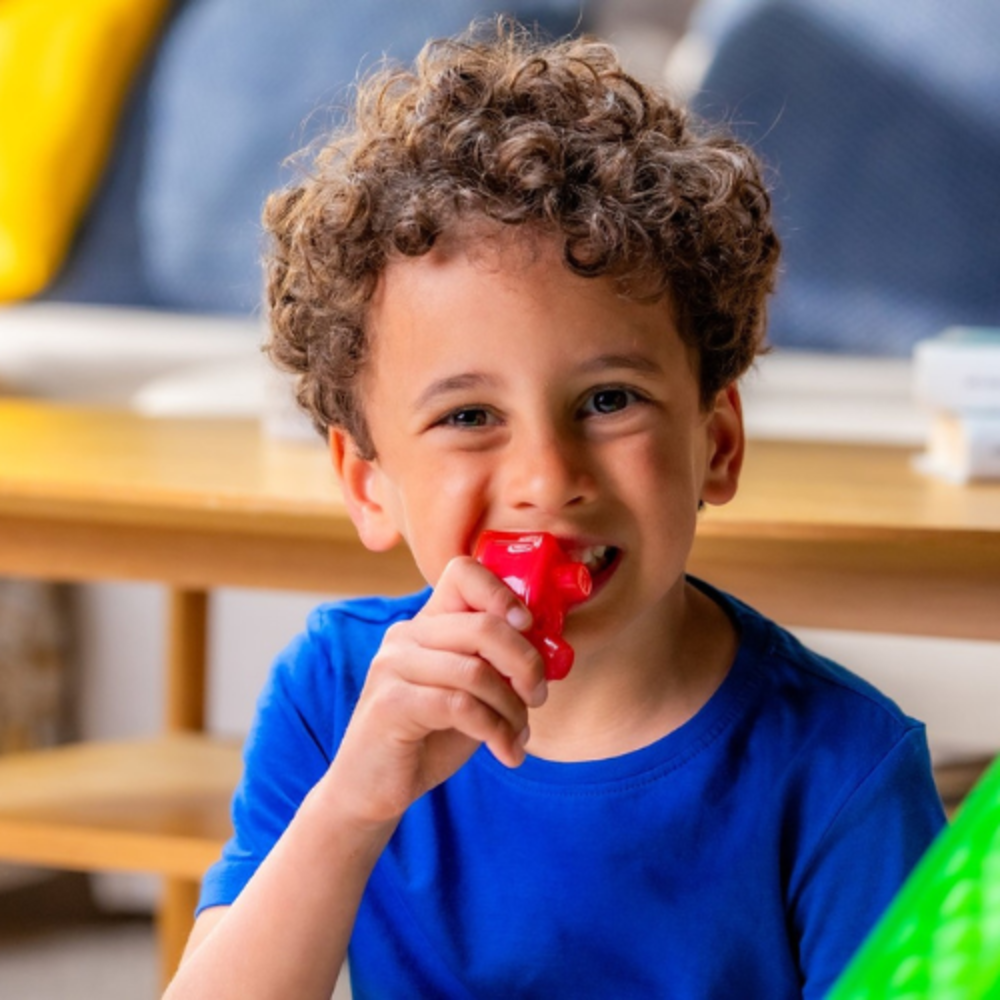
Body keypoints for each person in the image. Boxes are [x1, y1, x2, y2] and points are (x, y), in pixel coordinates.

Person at [164, 19, 946, 1000]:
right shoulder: (337, 696)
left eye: (609, 400)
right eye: (468, 416)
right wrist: (352, 807)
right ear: (368, 483)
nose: (547, 476)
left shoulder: (844, 766)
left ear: (715, 444)